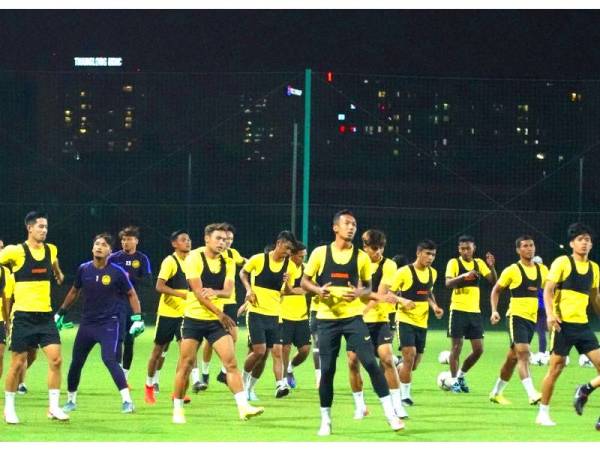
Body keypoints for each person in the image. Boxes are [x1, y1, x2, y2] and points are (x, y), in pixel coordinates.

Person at [301, 210, 403, 436]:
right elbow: (305, 281)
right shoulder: (320, 253)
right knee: (327, 370)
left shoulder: (361, 257)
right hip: (327, 320)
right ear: (335, 227)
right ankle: (326, 420)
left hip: (354, 318)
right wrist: (318, 290)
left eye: (354, 224)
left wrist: (359, 292)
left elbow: (367, 287)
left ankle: (391, 414)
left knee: (371, 363)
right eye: (347, 224)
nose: (351, 227)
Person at [172, 223, 263, 424]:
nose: (223, 243)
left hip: (215, 321)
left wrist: (215, 293)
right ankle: (177, 408)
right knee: (185, 365)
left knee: (230, 363)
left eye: (225, 239)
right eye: (218, 239)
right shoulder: (194, 257)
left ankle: (243, 407)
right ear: (207, 239)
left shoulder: (228, 261)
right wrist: (220, 312)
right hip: (194, 319)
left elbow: (228, 291)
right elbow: (197, 292)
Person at [56, 233, 144, 413]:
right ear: (92, 247)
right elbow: (74, 291)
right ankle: (71, 401)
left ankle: (127, 401)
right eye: (97, 244)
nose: (99, 247)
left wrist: (137, 318)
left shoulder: (117, 272)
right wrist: (61, 312)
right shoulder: (84, 269)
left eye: (104, 245)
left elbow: (132, 294)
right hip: (87, 324)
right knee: (76, 362)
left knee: (110, 360)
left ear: (110, 251)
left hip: (108, 324)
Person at [1, 211, 68, 424]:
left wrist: (58, 273)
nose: (44, 230)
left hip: (45, 316)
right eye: (40, 226)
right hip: (22, 316)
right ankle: (9, 409)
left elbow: (54, 262)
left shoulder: (51, 249)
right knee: (18, 363)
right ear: (30, 228)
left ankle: (54, 408)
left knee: (56, 360)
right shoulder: (15, 251)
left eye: (46, 227)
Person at [536, 223, 600, 426]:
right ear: (572, 243)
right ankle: (543, 413)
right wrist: (550, 315)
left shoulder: (594, 268)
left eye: (588, 240)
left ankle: (585, 388)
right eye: (580, 239)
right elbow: (548, 290)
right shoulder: (562, 262)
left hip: (583, 326)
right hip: (562, 325)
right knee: (556, 369)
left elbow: (595, 297)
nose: (585, 243)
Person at [347, 229, 407, 420]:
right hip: (355, 321)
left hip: (379, 320)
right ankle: (360, 406)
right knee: (352, 362)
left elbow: (379, 295)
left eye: (381, 247)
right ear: (364, 247)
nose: (378, 251)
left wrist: (362, 304)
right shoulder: (354, 262)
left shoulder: (389, 265)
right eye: (374, 248)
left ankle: (398, 406)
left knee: (387, 359)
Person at [488, 235, 547, 405]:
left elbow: (552, 289)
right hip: (516, 317)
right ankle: (532, 393)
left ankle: (495, 393)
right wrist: (494, 311)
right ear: (518, 250)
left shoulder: (542, 270)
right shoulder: (512, 270)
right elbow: (496, 290)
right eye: (525, 246)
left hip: (532, 318)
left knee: (512, 358)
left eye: (532, 245)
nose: (529, 248)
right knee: (523, 353)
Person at [240, 231, 298, 399]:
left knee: (276, 352)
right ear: (279, 243)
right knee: (259, 351)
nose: (288, 253)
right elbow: (243, 273)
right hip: (256, 313)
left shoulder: (290, 266)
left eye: (290, 250)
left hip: (276, 315)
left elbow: (288, 292)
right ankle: (243, 383)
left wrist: (287, 283)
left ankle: (279, 385)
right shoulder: (259, 259)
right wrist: (249, 290)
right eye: (286, 248)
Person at [387, 239, 444, 407]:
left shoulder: (433, 273)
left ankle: (395, 371)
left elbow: (427, 293)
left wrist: (435, 307)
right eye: (427, 254)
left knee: (414, 364)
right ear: (418, 253)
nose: (431, 257)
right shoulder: (404, 272)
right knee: (410, 355)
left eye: (433, 254)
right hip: (404, 320)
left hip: (422, 322)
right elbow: (390, 295)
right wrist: (403, 301)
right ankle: (404, 396)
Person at [193, 223, 246, 391]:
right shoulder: (199, 257)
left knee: (233, 336)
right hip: (206, 306)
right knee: (209, 341)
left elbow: (247, 263)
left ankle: (223, 372)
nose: (227, 242)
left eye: (229, 239)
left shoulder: (232, 255)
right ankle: (205, 373)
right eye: (223, 238)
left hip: (228, 302)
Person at [445, 235, 497, 393]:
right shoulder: (454, 263)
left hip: (474, 312)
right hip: (458, 310)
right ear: (458, 249)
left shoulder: (479, 263)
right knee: (456, 347)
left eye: (468, 248)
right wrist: (464, 276)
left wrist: (492, 266)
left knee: (479, 349)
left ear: (474, 248)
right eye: (462, 248)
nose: (465, 251)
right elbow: (448, 283)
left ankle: (461, 376)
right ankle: (454, 381)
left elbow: (493, 281)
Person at [145, 230, 191, 404]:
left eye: (189, 240)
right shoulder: (170, 261)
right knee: (157, 352)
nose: (188, 242)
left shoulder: (193, 261)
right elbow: (159, 286)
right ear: (174, 244)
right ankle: (149, 386)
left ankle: (177, 392)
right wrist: (180, 295)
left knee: (186, 355)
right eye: (183, 240)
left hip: (185, 316)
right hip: (167, 314)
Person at [108, 226, 152, 383]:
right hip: (115, 304)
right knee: (117, 339)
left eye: (129, 239)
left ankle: (125, 375)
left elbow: (148, 281)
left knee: (129, 340)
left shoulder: (142, 259)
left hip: (133, 305)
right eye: (124, 239)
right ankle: (119, 375)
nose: (126, 242)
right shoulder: (113, 258)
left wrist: (129, 278)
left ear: (136, 241)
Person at [279, 242, 311, 389]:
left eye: (305, 255)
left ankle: (290, 367)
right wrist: (300, 290)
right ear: (292, 255)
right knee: (285, 348)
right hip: (284, 314)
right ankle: (284, 378)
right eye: (301, 256)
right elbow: (285, 291)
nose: (303, 258)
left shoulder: (306, 268)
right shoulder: (285, 267)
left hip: (302, 315)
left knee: (305, 350)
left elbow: (309, 288)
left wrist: (299, 290)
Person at [1, 263, 15, 381]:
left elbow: (6, 296)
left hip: (0, 318)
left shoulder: (5, 272)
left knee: (0, 355)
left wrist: (7, 320)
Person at [532, 255, 548, 355]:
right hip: (543, 307)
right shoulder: (546, 273)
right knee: (541, 331)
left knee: (526, 330)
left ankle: (524, 352)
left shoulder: (530, 274)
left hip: (532, 306)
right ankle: (542, 353)